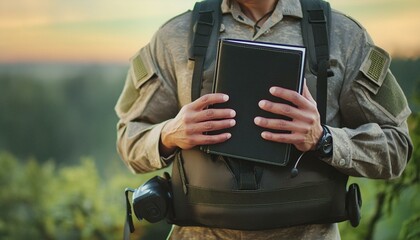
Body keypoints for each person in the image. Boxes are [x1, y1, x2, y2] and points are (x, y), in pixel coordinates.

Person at [115, 0, 413, 239]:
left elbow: (396, 148)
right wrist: (169, 134)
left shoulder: (343, 36)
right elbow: (129, 140)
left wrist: (323, 139)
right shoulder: (175, 36)